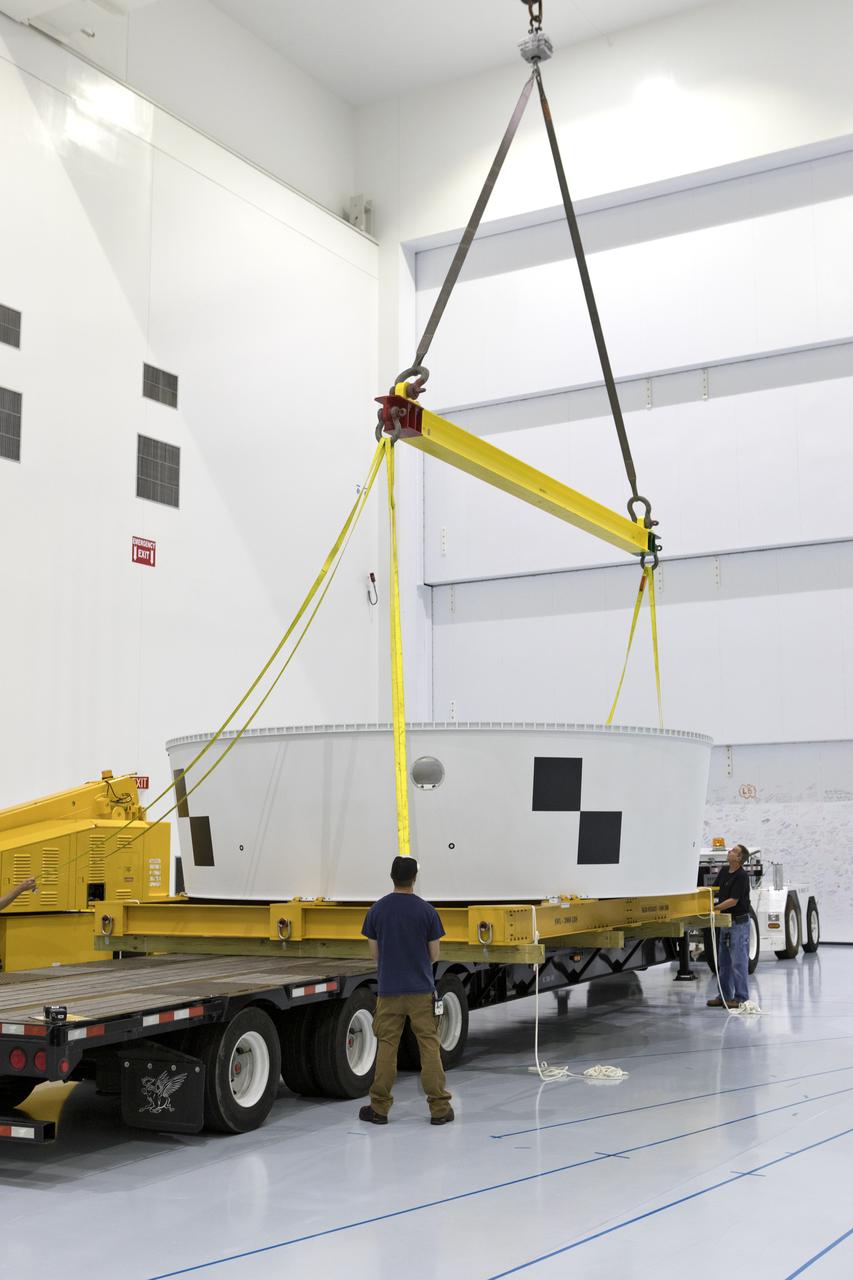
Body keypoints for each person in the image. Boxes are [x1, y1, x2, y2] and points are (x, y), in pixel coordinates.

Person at [359, 855, 454, 1126]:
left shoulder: (376, 911)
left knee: (387, 1046)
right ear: (414, 878)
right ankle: (439, 1109)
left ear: (392, 877)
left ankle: (379, 1109)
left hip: (389, 991)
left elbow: (375, 954)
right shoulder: (427, 911)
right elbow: (434, 955)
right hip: (421, 990)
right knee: (429, 1045)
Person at [707, 843, 751, 1009]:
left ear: (739, 858)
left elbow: (734, 900)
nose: (729, 851)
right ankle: (724, 996)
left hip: (738, 924)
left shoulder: (741, 876)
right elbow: (714, 889)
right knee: (724, 962)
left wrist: (715, 908)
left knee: (738, 963)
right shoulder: (725, 871)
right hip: (725, 922)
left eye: (733, 851)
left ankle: (741, 998)